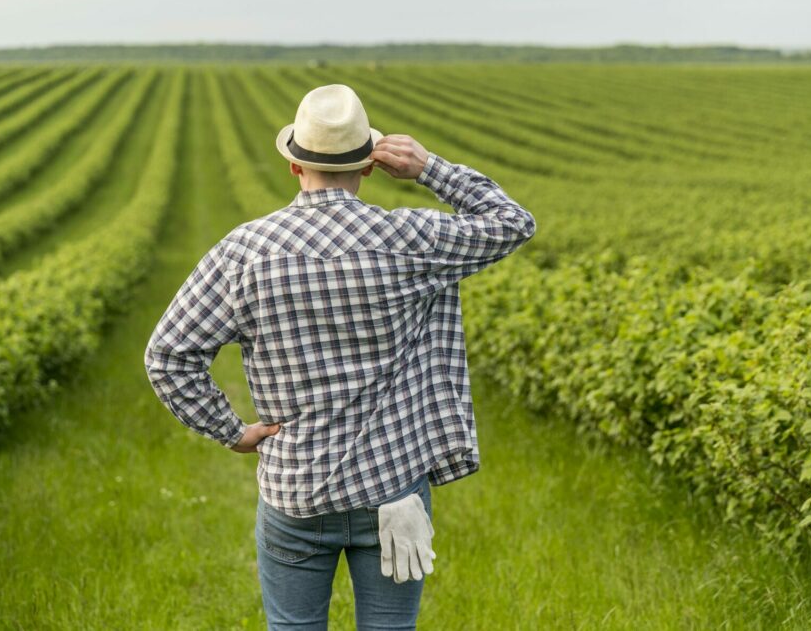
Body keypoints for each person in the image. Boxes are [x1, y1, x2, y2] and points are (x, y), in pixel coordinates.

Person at [144, 83, 536, 630]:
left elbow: (168, 356)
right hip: (393, 489)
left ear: (294, 167)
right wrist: (429, 168)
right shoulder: (409, 238)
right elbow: (513, 222)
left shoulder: (244, 251)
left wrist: (231, 430)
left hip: (295, 488)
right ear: (370, 166)